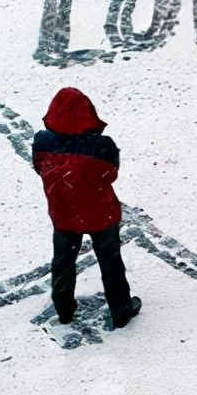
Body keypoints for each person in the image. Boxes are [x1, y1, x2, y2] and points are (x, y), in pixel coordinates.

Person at [31, 87, 141, 329]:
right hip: (100, 214)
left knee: (62, 261)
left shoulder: (42, 143)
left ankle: (64, 309)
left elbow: (39, 168)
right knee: (111, 264)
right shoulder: (101, 147)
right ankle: (121, 309)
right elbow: (109, 175)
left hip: (64, 215)